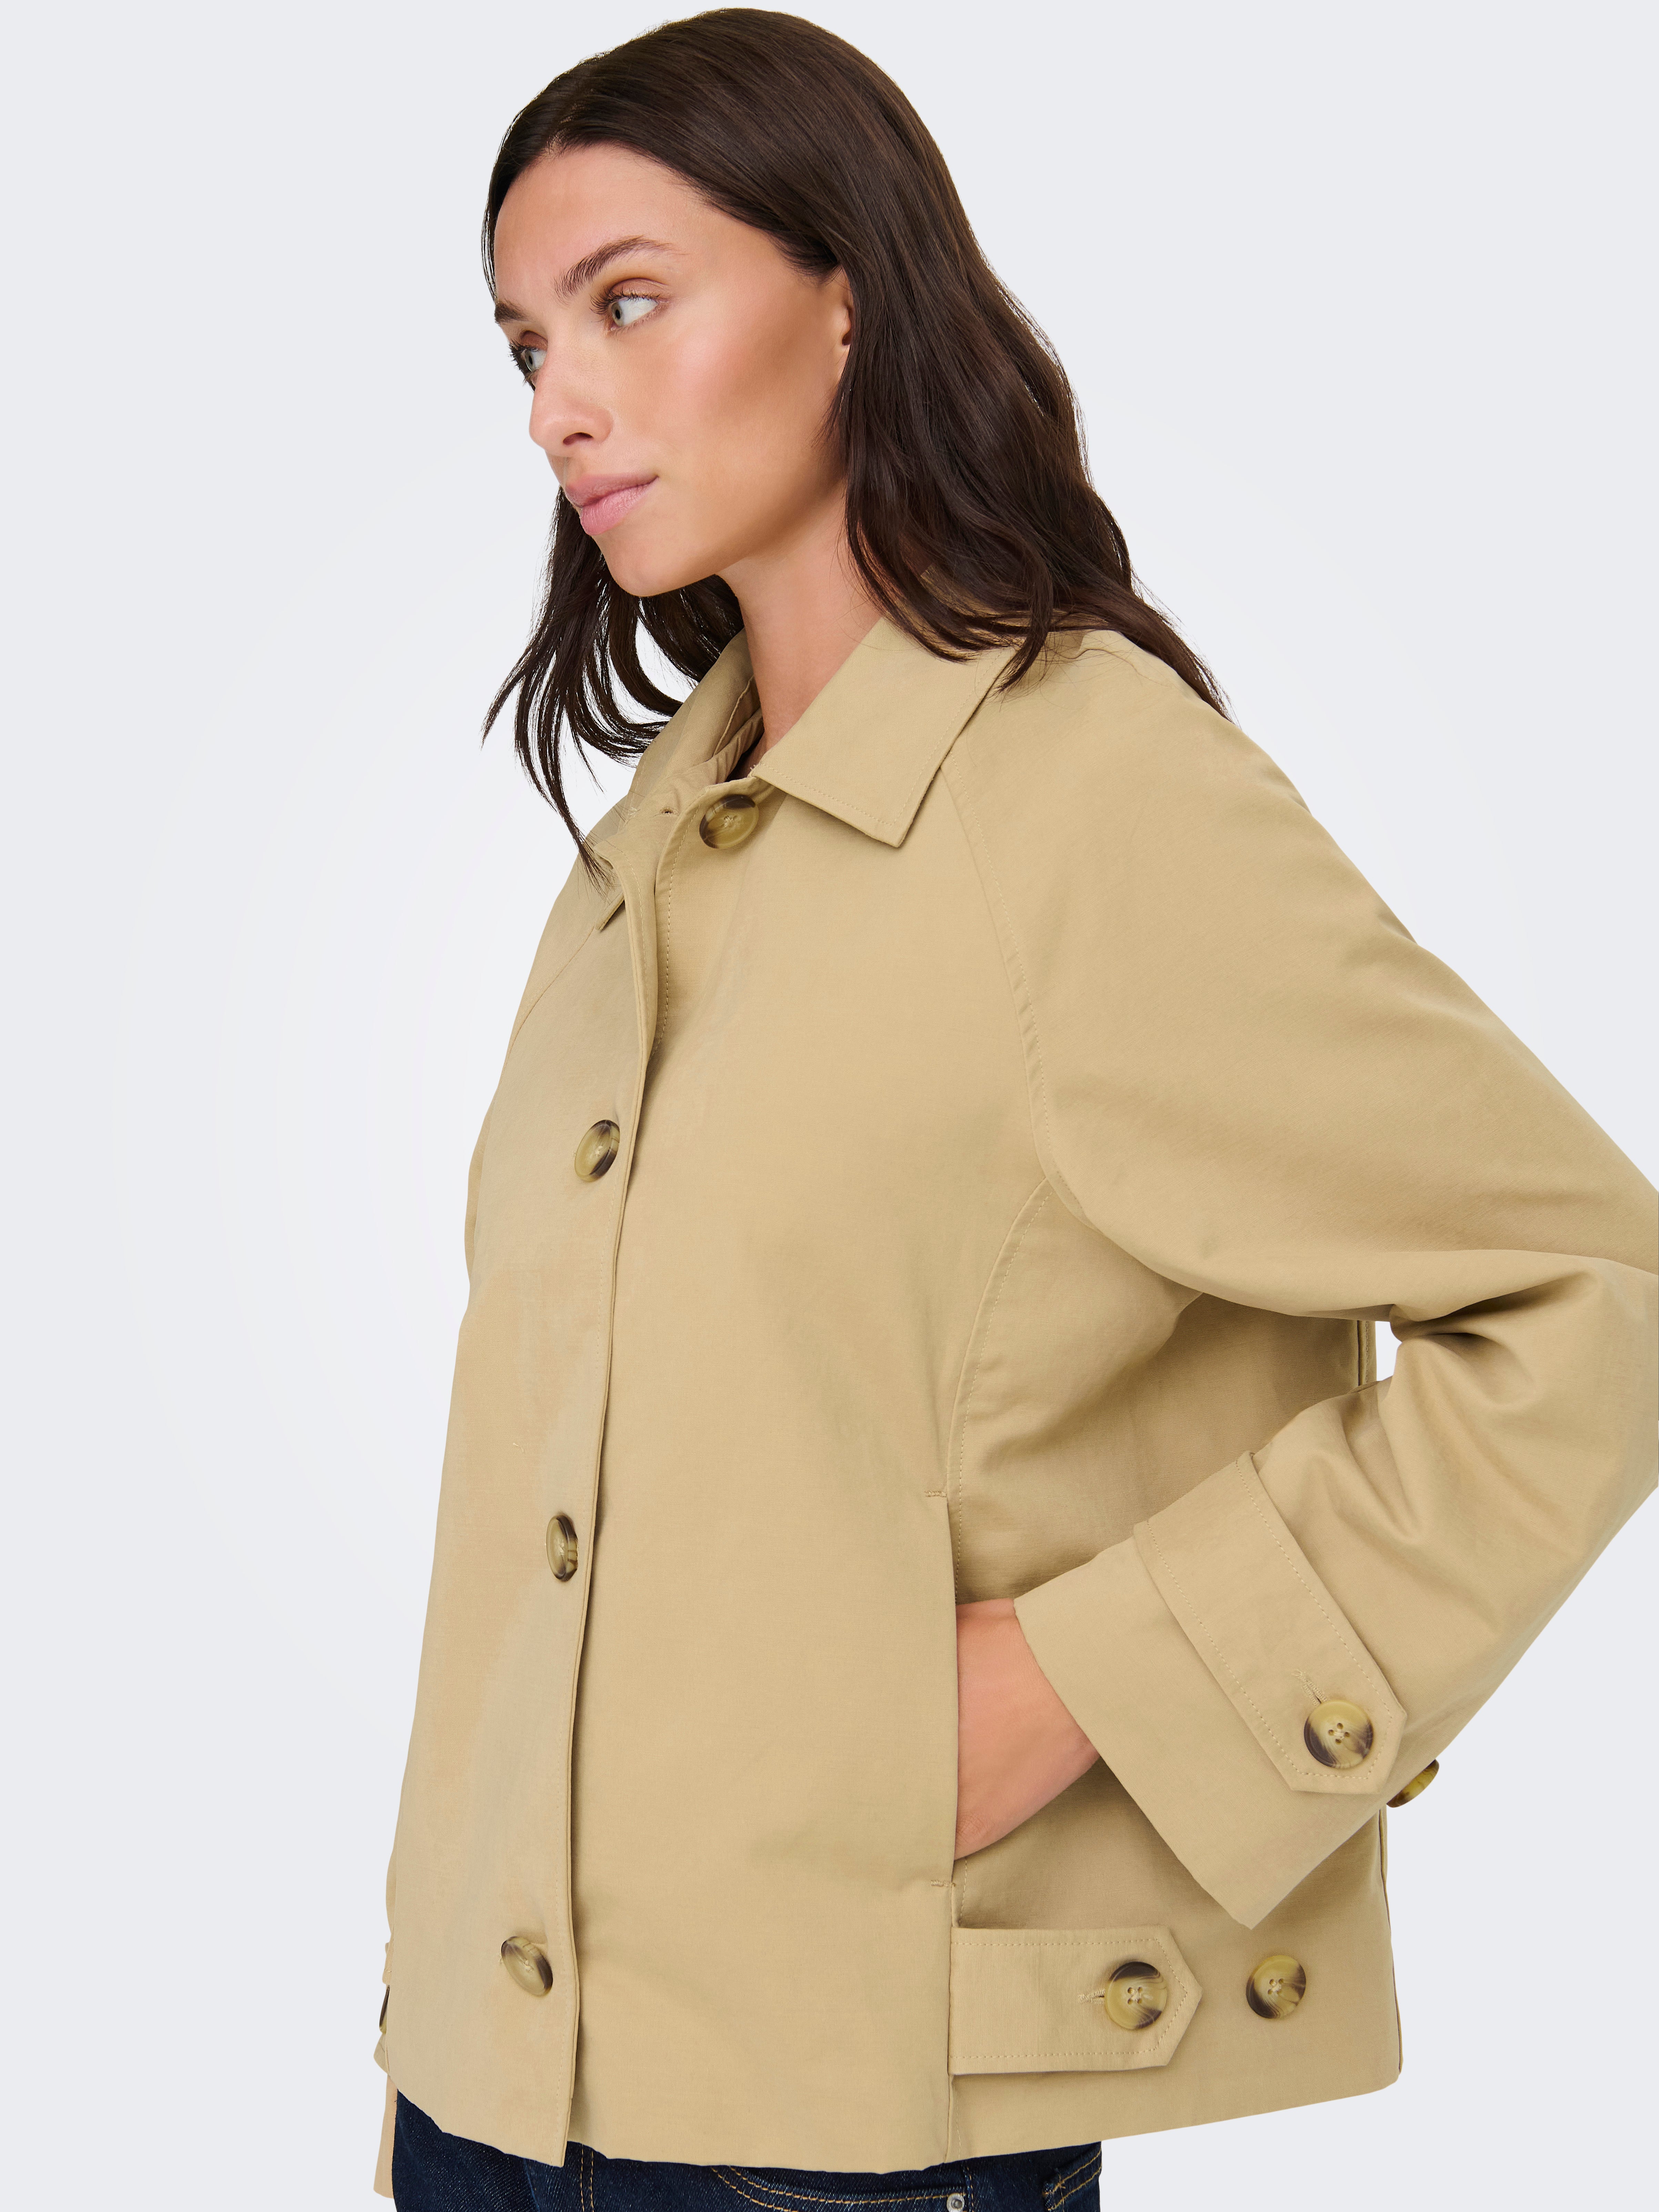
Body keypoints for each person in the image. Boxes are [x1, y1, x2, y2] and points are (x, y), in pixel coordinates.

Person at [373, 12, 1657, 2209]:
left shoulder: (1088, 798)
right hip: (490, 2099)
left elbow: (1594, 1293)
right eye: (526, 342)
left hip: (830, 2125)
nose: (555, 401)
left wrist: (1094, 1678)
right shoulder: (662, 846)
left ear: (849, 294)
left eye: (629, 302)